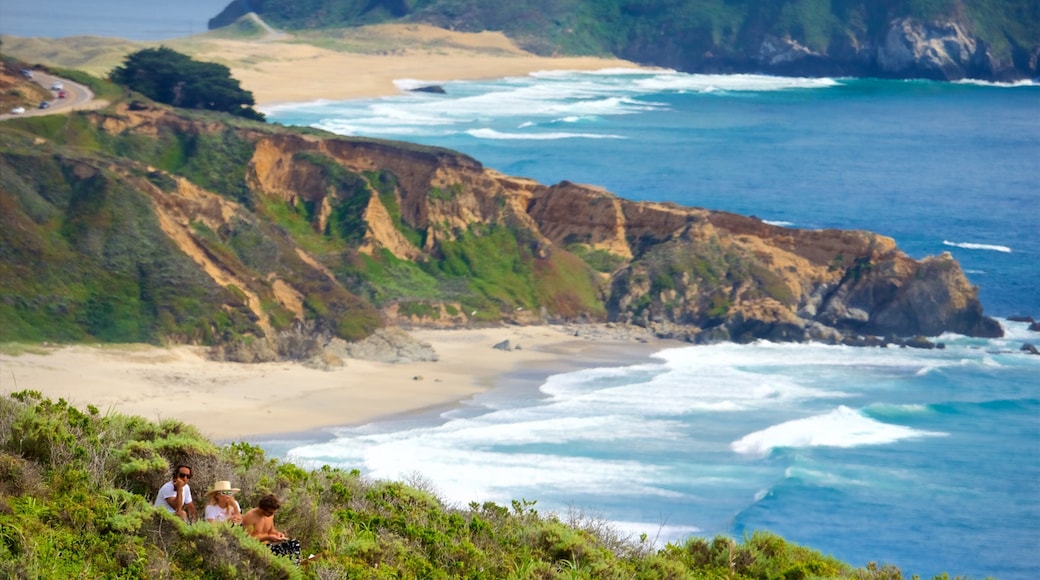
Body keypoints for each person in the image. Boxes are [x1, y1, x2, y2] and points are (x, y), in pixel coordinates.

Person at [242, 494, 300, 564]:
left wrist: (278, 534)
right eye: (270, 512)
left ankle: (295, 568)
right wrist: (267, 537)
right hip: (257, 547)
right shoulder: (250, 516)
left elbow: (271, 530)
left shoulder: (270, 515)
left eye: (273, 513)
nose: (272, 514)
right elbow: (247, 539)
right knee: (282, 552)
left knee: (294, 543)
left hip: (269, 545)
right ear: (262, 508)